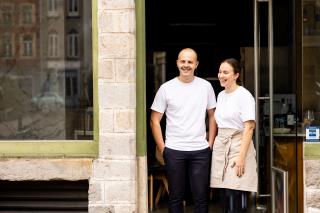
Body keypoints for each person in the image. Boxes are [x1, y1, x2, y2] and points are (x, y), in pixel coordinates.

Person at [150, 48, 217, 213]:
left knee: (201, 197)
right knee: (175, 197)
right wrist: (163, 148)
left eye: (190, 61)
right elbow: (154, 120)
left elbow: (213, 116)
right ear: (177, 63)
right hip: (174, 150)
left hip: (200, 150)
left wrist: (210, 144)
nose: (186, 65)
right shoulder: (166, 88)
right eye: (183, 61)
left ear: (196, 64)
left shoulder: (205, 86)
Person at [210, 58, 257, 212]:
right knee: (225, 194)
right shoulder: (221, 95)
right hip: (222, 147)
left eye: (226, 72)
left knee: (236, 191)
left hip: (238, 146)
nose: (221, 75)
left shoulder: (244, 95)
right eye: (220, 72)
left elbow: (249, 127)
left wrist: (241, 158)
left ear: (236, 75)